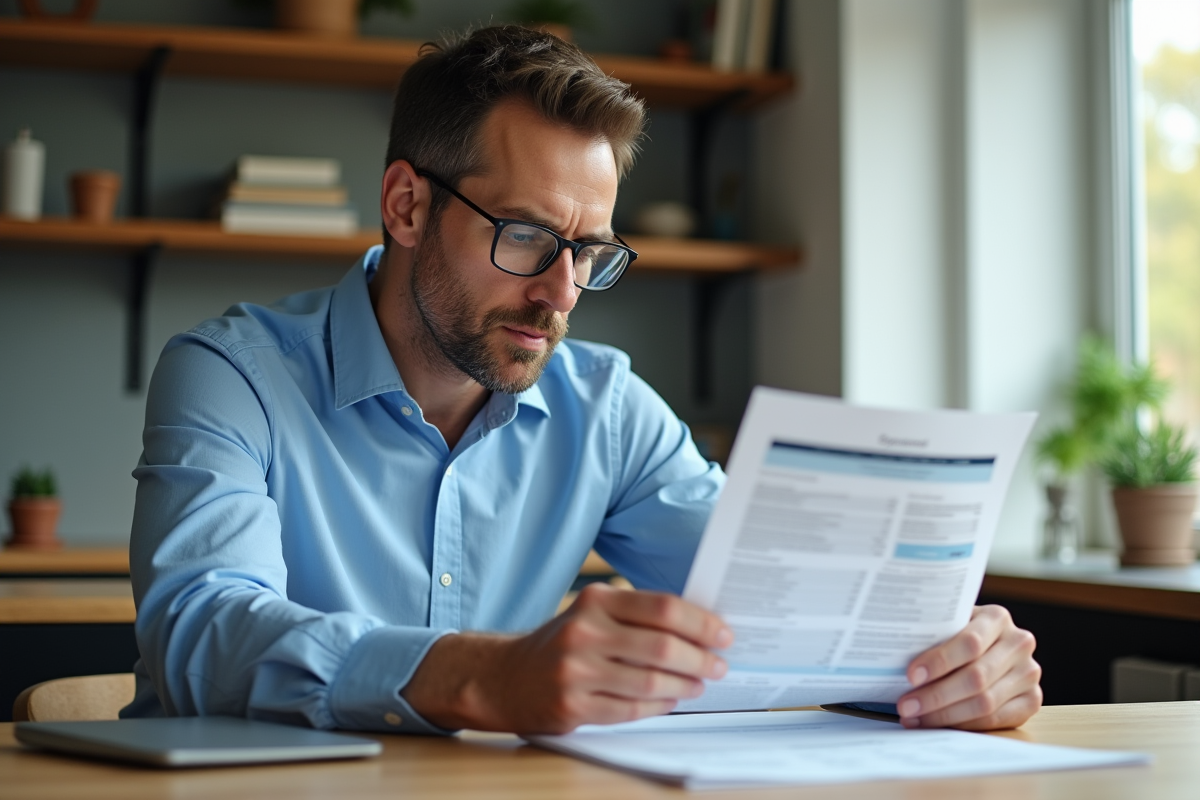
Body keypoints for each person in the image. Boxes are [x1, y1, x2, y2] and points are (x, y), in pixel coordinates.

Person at [123, 26, 1042, 735]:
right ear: (407, 205)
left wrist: (946, 668)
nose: (561, 293)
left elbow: (777, 608)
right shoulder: (229, 375)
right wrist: (486, 675)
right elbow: (202, 630)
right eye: (524, 236)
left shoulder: (605, 409)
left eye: (589, 252)